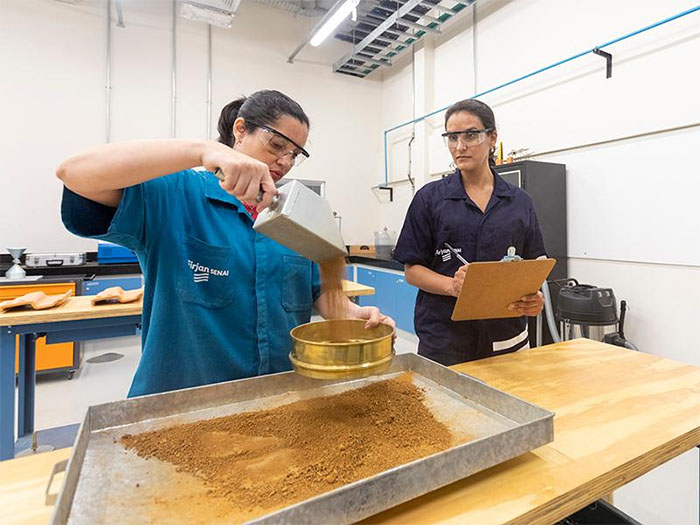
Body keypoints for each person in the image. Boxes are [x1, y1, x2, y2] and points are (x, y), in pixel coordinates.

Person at [57, 89, 394, 397]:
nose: (285, 162)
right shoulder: (177, 195)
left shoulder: (293, 218)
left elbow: (316, 292)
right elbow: (74, 173)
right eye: (277, 146)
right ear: (240, 130)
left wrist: (355, 313)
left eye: (295, 154)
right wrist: (202, 151)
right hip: (186, 407)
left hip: (279, 398)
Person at [393, 99, 545, 366]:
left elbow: (536, 263)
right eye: (452, 137)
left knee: (509, 405)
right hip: (445, 340)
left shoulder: (520, 201)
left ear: (492, 137)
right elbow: (412, 270)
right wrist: (452, 286)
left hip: (507, 337)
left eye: (471, 135)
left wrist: (535, 298)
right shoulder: (430, 199)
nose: (460, 146)